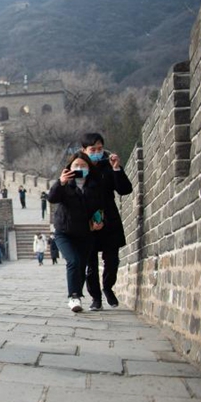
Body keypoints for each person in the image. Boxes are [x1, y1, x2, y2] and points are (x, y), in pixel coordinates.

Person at [80, 132, 133, 310]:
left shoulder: (109, 166)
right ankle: (96, 298)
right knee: (91, 265)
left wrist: (117, 168)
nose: (97, 152)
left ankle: (108, 288)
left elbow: (125, 190)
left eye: (100, 149)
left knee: (112, 260)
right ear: (84, 150)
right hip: (87, 222)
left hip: (109, 219)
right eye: (93, 149)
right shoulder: (78, 168)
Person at [47, 151, 104, 313]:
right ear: (69, 168)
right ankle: (73, 297)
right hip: (64, 232)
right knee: (72, 261)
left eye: (83, 165)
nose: (80, 168)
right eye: (76, 166)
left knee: (81, 266)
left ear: (89, 168)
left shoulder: (94, 185)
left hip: (85, 233)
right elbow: (52, 198)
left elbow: (99, 207)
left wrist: (99, 221)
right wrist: (61, 182)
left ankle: (77, 294)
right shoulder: (65, 184)